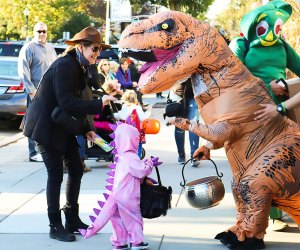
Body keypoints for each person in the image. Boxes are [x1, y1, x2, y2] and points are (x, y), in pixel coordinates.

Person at [23, 26, 116, 242]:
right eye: (94, 48)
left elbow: (76, 104)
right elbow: (66, 102)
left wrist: (88, 130)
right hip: (45, 128)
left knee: (76, 169)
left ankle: (71, 218)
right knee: (55, 175)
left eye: (99, 49)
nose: (97, 53)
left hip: (62, 125)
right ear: (81, 47)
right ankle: (55, 225)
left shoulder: (81, 66)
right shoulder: (65, 66)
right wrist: (98, 104)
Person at [229, 1, 300, 231]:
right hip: (252, 114)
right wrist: (264, 86)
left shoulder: (282, 46)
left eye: (276, 28)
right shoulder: (242, 44)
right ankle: (260, 216)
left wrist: (284, 86)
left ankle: (279, 210)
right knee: (253, 167)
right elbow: (233, 77)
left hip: (279, 113)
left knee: (281, 165)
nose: (272, 34)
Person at [79, 122, 161, 250]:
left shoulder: (120, 156)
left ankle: (119, 243)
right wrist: (150, 163)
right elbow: (141, 171)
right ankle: (136, 242)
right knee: (134, 219)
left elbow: (131, 172)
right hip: (128, 196)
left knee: (117, 220)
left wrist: (96, 138)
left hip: (115, 194)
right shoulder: (131, 156)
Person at [18, 21, 58, 162]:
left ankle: (46, 149)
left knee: (48, 121)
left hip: (50, 92)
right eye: (38, 31)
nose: (41, 34)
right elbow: (23, 71)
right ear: (34, 32)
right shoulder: (28, 48)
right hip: (35, 92)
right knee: (33, 122)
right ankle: (33, 153)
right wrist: (31, 91)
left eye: (43, 31)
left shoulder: (50, 48)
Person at [168, 79, 200, 167]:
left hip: (186, 95)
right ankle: (185, 155)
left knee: (190, 124)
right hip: (181, 94)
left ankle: (192, 156)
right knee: (184, 125)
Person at [113, 89, 152, 158]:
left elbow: (119, 116)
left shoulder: (124, 107)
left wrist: (113, 114)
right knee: (137, 146)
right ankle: (136, 159)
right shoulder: (137, 108)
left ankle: (127, 159)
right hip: (135, 132)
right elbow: (143, 118)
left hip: (125, 133)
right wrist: (149, 110)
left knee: (126, 146)